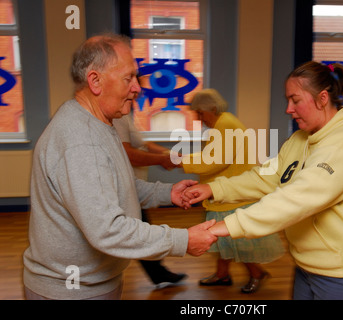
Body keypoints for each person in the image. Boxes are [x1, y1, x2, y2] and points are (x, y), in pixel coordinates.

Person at [22, 34, 217, 300]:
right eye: (129, 78)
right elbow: (107, 230)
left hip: (94, 282)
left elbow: (117, 185)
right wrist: (183, 240)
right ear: (95, 81)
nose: (137, 88)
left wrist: (167, 193)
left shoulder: (100, 124)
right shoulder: (82, 142)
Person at [182, 62, 343, 300]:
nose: (288, 109)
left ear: (322, 98)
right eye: (287, 100)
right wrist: (213, 188)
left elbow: (297, 199)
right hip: (311, 266)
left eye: (295, 100)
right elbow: (268, 176)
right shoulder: (300, 139)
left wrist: (225, 226)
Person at [180, 89, 285, 294]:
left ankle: (257, 273)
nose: (199, 119)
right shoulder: (224, 123)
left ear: (212, 109)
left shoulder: (226, 126)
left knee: (236, 241)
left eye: (200, 113)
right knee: (223, 240)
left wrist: (181, 161)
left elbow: (215, 161)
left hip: (232, 194)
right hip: (227, 192)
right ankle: (222, 274)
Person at [113, 113, 187, 286]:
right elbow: (128, 154)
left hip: (134, 187)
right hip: (125, 189)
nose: (136, 90)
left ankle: (158, 273)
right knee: (139, 232)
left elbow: (144, 144)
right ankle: (158, 273)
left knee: (140, 230)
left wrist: (171, 154)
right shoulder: (116, 117)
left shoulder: (124, 115)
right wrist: (163, 159)